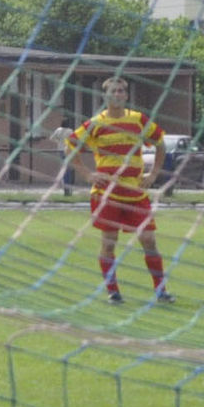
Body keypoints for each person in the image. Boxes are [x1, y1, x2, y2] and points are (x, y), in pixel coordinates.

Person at [62, 74, 173, 306]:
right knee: (109, 243)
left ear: (126, 95)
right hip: (106, 195)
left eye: (121, 91)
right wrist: (87, 174)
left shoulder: (138, 120)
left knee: (149, 240)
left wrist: (153, 174)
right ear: (105, 96)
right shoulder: (95, 123)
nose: (117, 95)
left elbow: (161, 143)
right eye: (112, 91)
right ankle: (113, 292)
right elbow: (71, 146)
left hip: (135, 193)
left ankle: (161, 291)